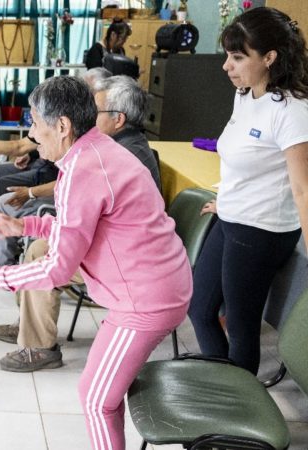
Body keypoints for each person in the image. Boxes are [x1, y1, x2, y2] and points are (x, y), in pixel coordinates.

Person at [0, 76, 192, 449]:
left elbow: (58, 267)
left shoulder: (85, 167)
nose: (32, 132)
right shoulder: (93, 152)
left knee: (94, 398)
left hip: (146, 299)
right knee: (101, 397)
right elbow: (81, 225)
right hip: (153, 287)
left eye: (36, 122)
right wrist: (26, 223)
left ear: (62, 126)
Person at [0, 75, 164, 373]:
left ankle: (39, 345)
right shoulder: (107, 144)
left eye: (96, 112)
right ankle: (31, 326)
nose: (88, 118)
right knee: (41, 245)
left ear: (118, 118)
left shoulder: (115, 152)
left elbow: (77, 208)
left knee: (42, 254)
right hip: (106, 242)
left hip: (125, 260)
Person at [188, 7, 308, 375]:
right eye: (228, 55)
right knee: (198, 307)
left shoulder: (293, 111)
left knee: (241, 329)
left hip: (262, 230)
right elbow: (245, 158)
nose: (227, 65)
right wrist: (227, 196)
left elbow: (302, 188)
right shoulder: (246, 95)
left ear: (269, 58)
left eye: (238, 57)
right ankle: (223, 382)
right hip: (232, 217)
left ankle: (236, 412)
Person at [0, 68, 112, 250]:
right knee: (2, 170)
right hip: (44, 166)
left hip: (48, 175)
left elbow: (70, 184)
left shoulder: (92, 141)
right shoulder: (62, 120)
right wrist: (30, 153)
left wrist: (31, 192)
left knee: (5, 184)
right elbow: (21, 146)